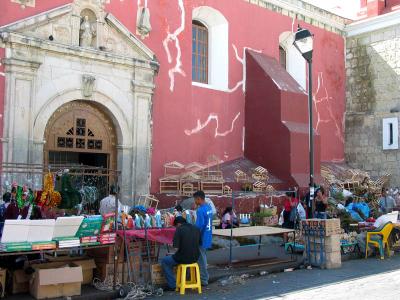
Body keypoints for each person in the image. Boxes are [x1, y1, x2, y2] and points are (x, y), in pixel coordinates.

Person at [161, 216, 201, 291]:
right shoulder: (196, 228)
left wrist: (173, 251)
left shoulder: (179, 229)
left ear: (178, 224)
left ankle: (172, 285)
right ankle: (186, 279)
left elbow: (176, 248)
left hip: (183, 258)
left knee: (165, 261)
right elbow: (199, 243)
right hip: (195, 257)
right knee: (177, 258)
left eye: (176, 226)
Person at [194, 190, 212, 286]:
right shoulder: (208, 207)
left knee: (201, 259)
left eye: (195, 200)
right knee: (203, 257)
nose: (195, 202)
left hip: (202, 237)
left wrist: (193, 234)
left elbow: (199, 226)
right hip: (208, 236)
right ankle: (205, 277)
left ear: (199, 199)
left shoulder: (200, 210)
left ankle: (204, 279)